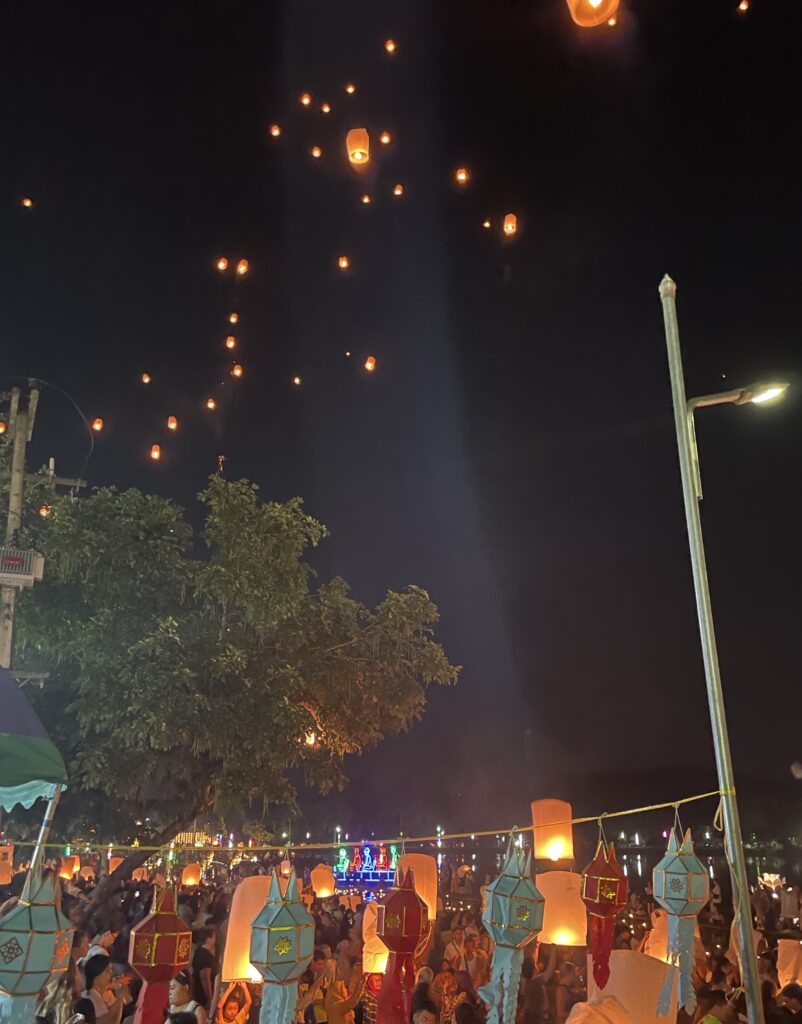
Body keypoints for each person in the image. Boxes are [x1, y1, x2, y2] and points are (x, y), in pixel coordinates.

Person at [81, 954, 129, 1024]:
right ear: (98, 976)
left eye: (111, 970)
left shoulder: (96, 994)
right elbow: (111, 1022)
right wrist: (120, 997)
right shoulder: (93, 996)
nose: (111, 974)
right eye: (107, 971)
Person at [521, 946, 557, 1024]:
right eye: (535, 964)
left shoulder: (526, 982)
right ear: (533, 968)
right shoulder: (536, 981)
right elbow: (551, 969)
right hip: (538, 1017)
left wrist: (537, 947)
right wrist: (553, 950)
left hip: (530, 1015)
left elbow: (532, 961)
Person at [192, 927, 218, 1010]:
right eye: (214, 937)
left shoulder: (200, 951)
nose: (215, 940)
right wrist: (210, 998)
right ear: (208, 939)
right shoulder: (204, 954)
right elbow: (205, 978)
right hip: (203, 996)